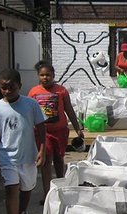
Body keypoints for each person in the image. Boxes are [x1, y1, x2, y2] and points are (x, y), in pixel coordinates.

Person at [0, 69, 46, 214]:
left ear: (19, 86)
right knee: (11, 189)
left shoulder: (31, 105)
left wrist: (42, 150)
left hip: (28, 156)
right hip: (7, 157)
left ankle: (21, 213)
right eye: (4, 88)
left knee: (26, 189)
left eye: (11, 87)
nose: (7, 91)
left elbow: (41, 128)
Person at [28, 60, 83, 205]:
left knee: (59, 160)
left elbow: (69, 109)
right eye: (42, 75)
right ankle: (47, 193)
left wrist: (77, 128)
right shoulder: (34, 92)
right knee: (45, 162)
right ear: (38, 76)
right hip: (42, 133)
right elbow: (29, 113)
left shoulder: (61, 90)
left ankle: (62, 189)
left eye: (48, 75)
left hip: (60, 131)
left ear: (53, 75)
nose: (45, 78)